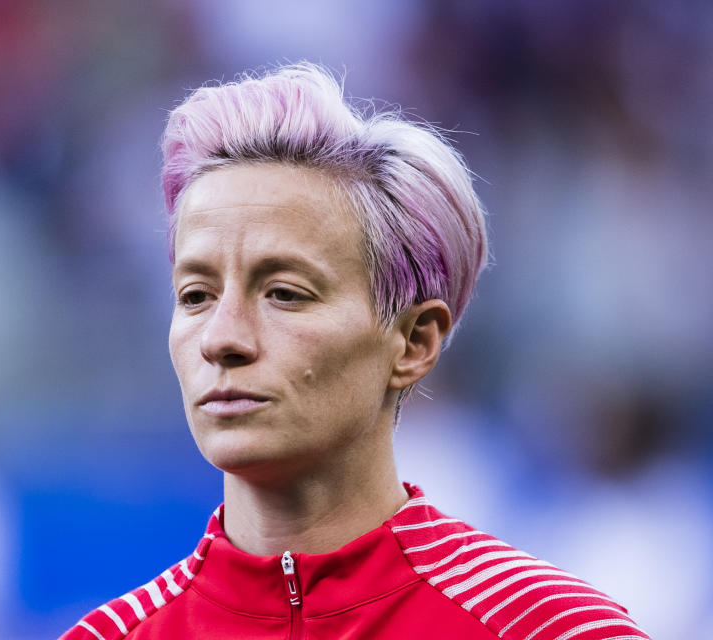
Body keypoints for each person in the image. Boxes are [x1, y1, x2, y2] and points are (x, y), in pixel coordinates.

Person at [61, 64, 648, 640]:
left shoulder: (552, 630)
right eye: (195, 296)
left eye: (285, 294)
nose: (222, 338)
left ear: (414, 342)